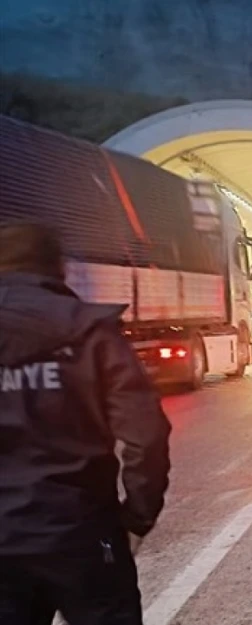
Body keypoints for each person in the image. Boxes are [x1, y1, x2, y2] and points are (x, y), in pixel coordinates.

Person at [0, 223, 172, 625]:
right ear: (56, 267)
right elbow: (145, 435)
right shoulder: (90, 330)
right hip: (82, 532)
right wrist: (138, 516)